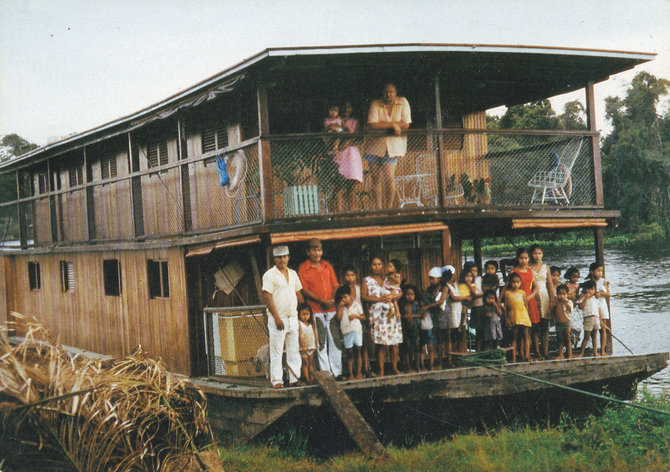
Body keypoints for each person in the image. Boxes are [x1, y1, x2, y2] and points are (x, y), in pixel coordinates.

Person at [262, 245, 304, 388]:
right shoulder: (269, 275)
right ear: (275, 259)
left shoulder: (293, 274)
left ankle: (294, 378)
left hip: (292, 317)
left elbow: (298, 293)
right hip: (277, 318)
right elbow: (267, 297)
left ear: (288, 258)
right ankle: (277, 381)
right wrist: (277, 317)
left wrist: (301, 312)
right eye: (279, 257)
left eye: (285, 257)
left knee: (294, 350)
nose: (282, 260)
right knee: (277, 350)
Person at [298, 239, 341, 377]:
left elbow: (335, 285)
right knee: (321, 342)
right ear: (308, 252)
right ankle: (326, 372)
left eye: (319, 250)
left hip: (331, 309)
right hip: (315, 310)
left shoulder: (327, 265)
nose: (317, 253)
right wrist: (322, 300)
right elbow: (304, 290)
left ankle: (337, 372)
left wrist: (332, 300)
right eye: (314, 250)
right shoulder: (303, 268)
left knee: (334, 339)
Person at [366, 83, 412, 209]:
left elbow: (406, 124)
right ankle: (379, 210)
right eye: (386, 92)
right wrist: (393, 125)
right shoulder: (375, 103)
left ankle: (389, 209)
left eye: (391, 92)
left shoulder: (403, 102)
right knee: (376, 179)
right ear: (382, 93)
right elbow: (372, 125)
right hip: (374, 147)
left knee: (389, 178)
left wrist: (387, 124)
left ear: (396, 92)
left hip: (393, 147)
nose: (388, 95)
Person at [361, 256, 402, 376]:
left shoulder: (388, 278)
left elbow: (399, 292)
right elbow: (363, 297)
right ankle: (381, 369)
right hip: (377, 315)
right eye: (374, 264)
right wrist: (378, 299)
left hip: (391, 314)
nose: (377, 267)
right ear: (370, 266)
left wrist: (393, 297)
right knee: (381, 344)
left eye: (379, 264)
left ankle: (395, 368)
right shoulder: (366, 281)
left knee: (395, 342)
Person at [509, 248, 541, 359]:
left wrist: (531, 296)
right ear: (518, 259)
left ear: (529, 259)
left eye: (526, 258)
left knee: (529, 330)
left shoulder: (530, 271)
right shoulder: (513, 271)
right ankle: (520, 354)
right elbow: (507, 288)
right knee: (519, 330)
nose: (524, 260)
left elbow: (536, 288)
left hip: (529, 301)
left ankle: (528, 354)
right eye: (521, 258)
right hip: (518, 302)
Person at [332, 102, 363, 211]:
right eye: (344, 107)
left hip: (351, 155)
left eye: (349, 107)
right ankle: (339, 213)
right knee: (338, 186)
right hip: (338, 153)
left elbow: (356, 138)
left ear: (352, 108)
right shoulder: (336, 121)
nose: (346, 109)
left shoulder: (355, 122)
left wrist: (345, 144)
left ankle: (352, 211)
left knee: (351, 186)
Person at [529, 244, 555, 359]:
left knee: (545, 326)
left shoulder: (546, 267)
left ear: (542, 254)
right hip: (533, 296)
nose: (537, 256)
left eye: (539, 253)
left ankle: (545, 351)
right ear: (531, 255)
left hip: (544, 296)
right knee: (535, 326)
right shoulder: (529, 268)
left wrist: (552, 299)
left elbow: (549, 284)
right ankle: (537, 352)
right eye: (535, 253)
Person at [335, 285, 365, 380]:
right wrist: (339, 308)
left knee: (358, 351)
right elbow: (338, 318)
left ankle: (359, 373)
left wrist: (356, 316)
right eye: (341, 298)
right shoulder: (341, 306)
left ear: (349, 295)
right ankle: (351, 374)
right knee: (349, 353)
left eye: (345, 297)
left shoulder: (356, 304)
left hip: (356, 330)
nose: (343, 299)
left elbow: (363, 317)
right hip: (346, 331)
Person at [501, 272, 531, 363]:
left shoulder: (522, 292)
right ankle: (514, 357)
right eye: (513, 282)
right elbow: (506, 307)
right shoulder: (507, 293)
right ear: (510, 282)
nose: (515, 284)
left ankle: (526, 356)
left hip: (524, 316)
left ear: (520, 283)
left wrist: (528, 317)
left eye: (518, 282)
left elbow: (526, 306)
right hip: (514, 316)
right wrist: (506, 318)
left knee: (526, 336)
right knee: (514, 337)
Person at [587, 262, 611, 356]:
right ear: (592, 272)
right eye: (598, 271)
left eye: (601, 271)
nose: (600, 273)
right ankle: (595, 350)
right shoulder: (589, 282)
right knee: (595, 329)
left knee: (603, 329)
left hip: (602, 304)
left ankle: (602, 350)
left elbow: (608, 294)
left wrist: (600, 293)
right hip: (593, 305)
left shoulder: (602, 281)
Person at [400, 284, 422, 372]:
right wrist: (405, 316)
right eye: (408, 294)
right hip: (405, 328)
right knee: (407, 347)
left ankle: (417, 366)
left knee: (416, 347)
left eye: (412, 294)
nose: (410, 296)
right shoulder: (402, 304)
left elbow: (421, 314)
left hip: (415, 327)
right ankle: (407, 367)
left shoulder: (416, 304)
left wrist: (412, 316)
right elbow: (401, 315)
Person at [577, 280, 600, 357]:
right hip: (588, 318)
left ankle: (595, 352)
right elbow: (581, 306)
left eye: (592, 289)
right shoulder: (582, 297)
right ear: (585, 289)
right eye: (588, 289)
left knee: (594, 336)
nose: (590, 291)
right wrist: (586, 298)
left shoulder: (595, 298)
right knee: (586, 337)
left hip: (596, 318)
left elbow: (598, 309)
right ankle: (581, 353)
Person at [298, 303, 318, 383]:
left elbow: (314, 334)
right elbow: (299, 336)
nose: (305, 316)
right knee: (305, 362)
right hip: (304, 347)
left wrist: (315, 344)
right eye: (303, 314)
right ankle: (307, 378)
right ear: (299, 315)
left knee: (310, 362)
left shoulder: (311, 324)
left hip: (311, 346)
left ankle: (311, 376)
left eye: (307, 314)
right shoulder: (300, 324)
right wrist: (303, 346)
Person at [457, 269, 476, 353]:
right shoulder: (459, 285)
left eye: (470, 276)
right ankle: (460, 324)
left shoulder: (472, 285)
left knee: (464, 310)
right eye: (467, 276)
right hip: (459, 302)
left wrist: (469, 285)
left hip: (467, 301)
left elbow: (473, 293)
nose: (469, 278)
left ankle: (461, 324)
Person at [552, 284, 573, 359]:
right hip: (558, 323)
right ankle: (561, 354)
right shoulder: (556, 302)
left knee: (567, 338)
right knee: (560, 339)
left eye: (564, 294)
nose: (562, 296)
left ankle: (569, 354)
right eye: (560, 294)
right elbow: (553, 310)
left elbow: (570, 310)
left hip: (567, 323)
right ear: (557, 294)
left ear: (567, 294)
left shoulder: (568, 302)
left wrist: (566, 303)